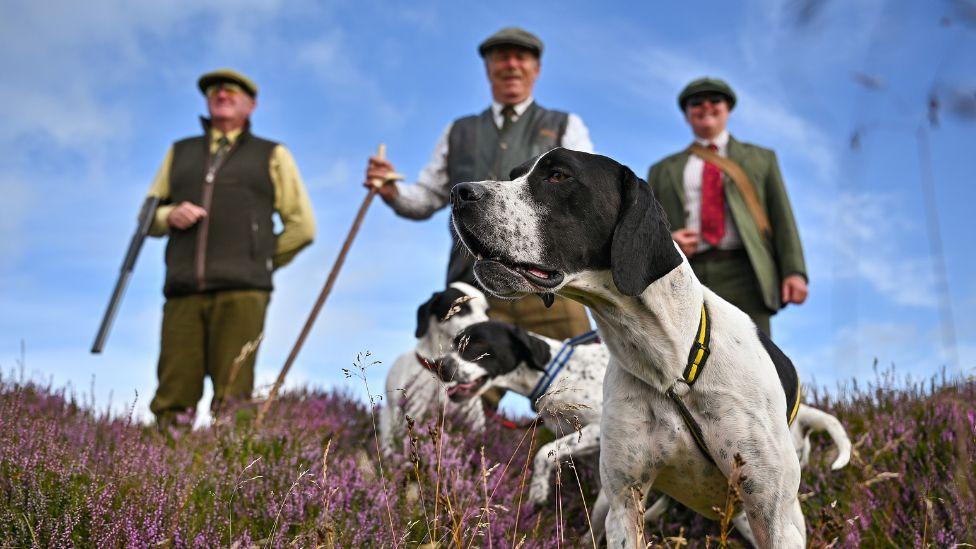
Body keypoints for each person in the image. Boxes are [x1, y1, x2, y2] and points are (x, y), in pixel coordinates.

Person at [364, 27, 593, 341]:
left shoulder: (566, 126)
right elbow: (427, 197)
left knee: (577, 384)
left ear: (536, 69)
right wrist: (392, 192)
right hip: (474, 290)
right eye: (501, 58)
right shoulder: (458, 131)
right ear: (488, 68)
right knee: (458, 388)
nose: (511, 64)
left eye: (521, 57)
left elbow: (584, 195)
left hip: (550, 286)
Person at [145, 68, 315, 429]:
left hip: (243, 292)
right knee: (173, 396)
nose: (222, 94)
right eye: (215, 91)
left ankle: (230, 479)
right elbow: (147, 216)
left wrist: (260, 262)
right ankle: (164, 472)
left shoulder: (272, 154)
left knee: (234, 398)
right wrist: (169, 213)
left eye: (233, 91)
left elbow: (302, 227)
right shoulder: (180, 152)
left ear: (251, 105)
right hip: (183, 291)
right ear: (207, 101)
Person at [647, 77, 807, 335]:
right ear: (687, 115)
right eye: (696, 102)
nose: (706, 106)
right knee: (687, 356)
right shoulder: (663, 170)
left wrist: (794, 272)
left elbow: (782, 217)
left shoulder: (760, 159)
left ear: (727, 109)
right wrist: (670, 240)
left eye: (715, 100)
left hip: (746, 271)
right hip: (688, 272)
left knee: (756, 357)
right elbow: (649, 224)